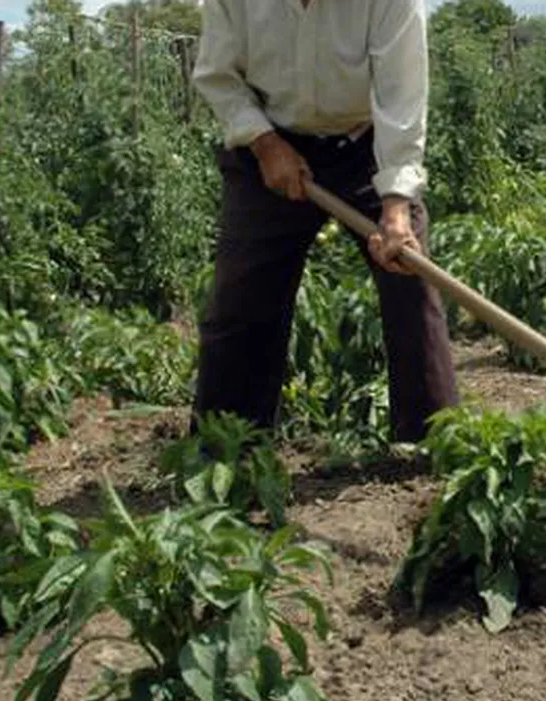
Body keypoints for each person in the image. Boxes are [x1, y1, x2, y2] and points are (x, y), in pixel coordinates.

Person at [190, 0, 458, 444]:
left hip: (366, 146)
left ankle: (431, 443)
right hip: (270, 143)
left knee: (409, 278)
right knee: (242, 297)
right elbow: (218, 76)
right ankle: (226, 449)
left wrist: (395, 206)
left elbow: (401, 96)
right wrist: (264, 143)